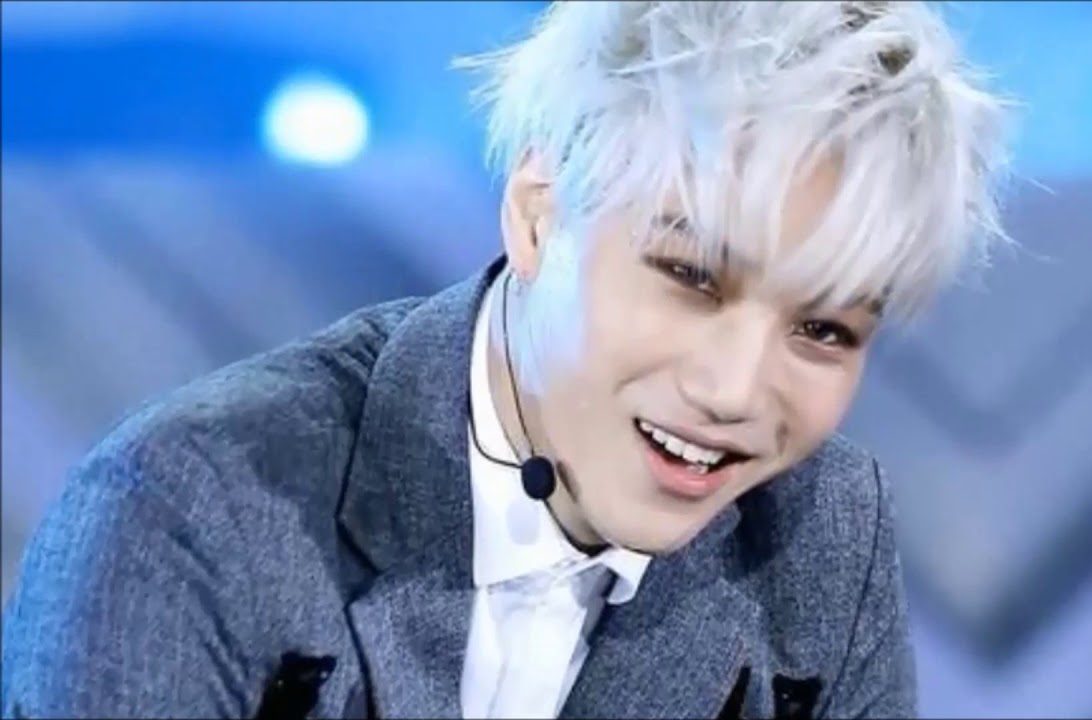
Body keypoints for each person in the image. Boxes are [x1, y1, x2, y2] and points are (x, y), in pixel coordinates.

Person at [1, 2, 1011, 718]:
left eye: (824, 330)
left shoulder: (823, 542)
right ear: (537, 215)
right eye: (691, 276)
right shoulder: (196, 508)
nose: (733, 390)